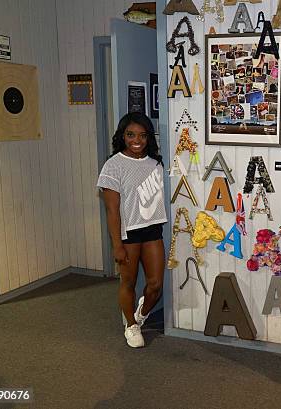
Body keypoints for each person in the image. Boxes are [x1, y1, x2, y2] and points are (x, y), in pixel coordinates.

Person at [97, 112, 167, 348]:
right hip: (128, 235)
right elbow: (112, 211)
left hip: (153, 230)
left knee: (155, 284)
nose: (136, 140)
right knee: (128, 282)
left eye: (142, 135)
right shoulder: (113, 165)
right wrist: (117, 245)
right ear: (123, 136)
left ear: (148, 137)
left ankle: (140, 314)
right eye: (130, 135)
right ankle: (131, 325)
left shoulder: (155, 163)